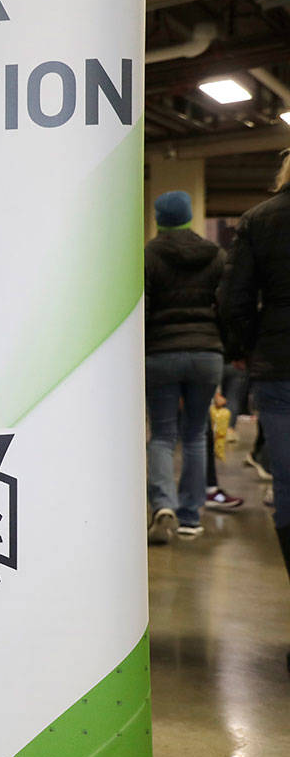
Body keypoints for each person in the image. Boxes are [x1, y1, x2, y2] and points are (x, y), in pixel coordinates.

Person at [219, 148, 290, 671]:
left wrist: (242, 349)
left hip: (281, 364)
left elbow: (235, 298)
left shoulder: (260, 221)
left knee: (289, 485)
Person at [144, 191, 225, 543]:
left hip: (161, 354)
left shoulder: (148, 255)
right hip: (206, 353)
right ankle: (191, 516)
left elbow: (142, 309)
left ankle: (163, 505)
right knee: (195, 434)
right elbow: (226, 305)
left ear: (159, 219)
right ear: (190, 217)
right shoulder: (216, 255)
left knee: (163, 435)